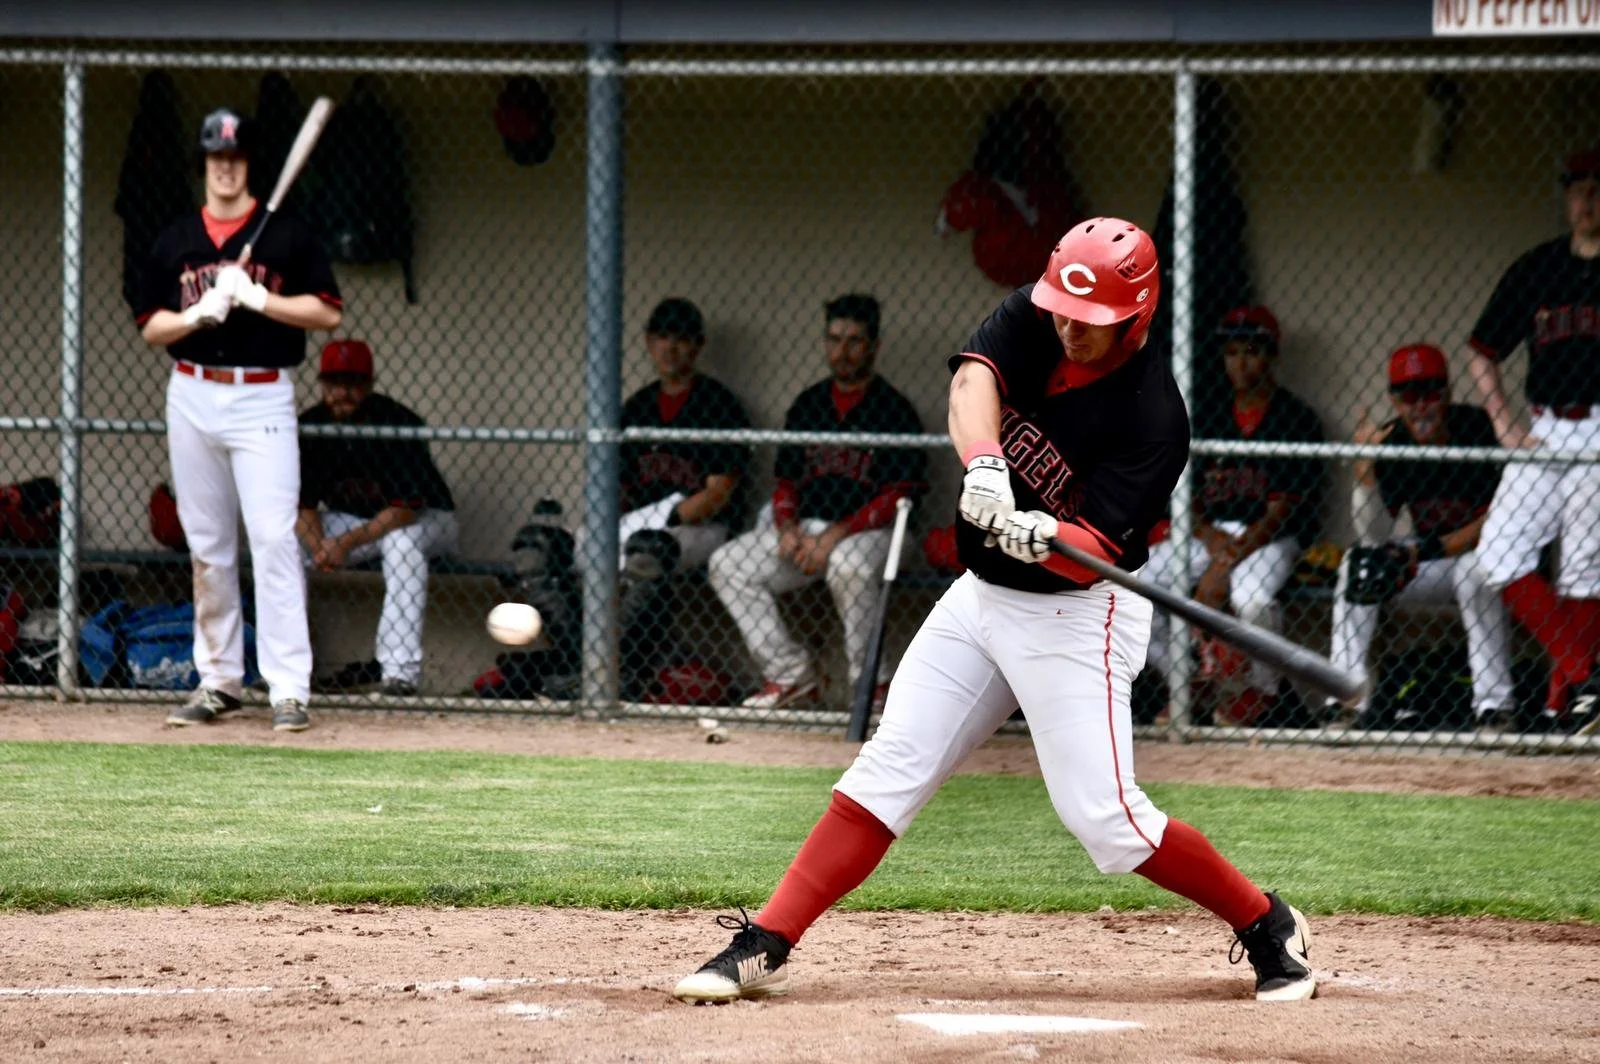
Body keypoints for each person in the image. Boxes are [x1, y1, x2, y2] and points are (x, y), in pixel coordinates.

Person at [674, 218, 1315, 1007]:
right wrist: (985, 468)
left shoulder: (1155, 416)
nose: (1071, 329)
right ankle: (768, 939)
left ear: (1137, 318)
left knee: (1106, 821)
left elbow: (1099, 549)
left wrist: (1047, 535)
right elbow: (972, 382)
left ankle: (1265, 922)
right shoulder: (1039, 312)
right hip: (981, 600)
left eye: (1094, 322)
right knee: (888, 769)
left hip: (1077, 613)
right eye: (1063, 313)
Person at [136, 107, 342, 733]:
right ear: (204, 163)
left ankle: (288, 689)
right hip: (192, 394)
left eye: (235, 156)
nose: (225, 166)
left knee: (276, 539)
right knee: (208, 545)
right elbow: (151, 326)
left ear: (248, 163)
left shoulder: (287, 236)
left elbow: (327, 312)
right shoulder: (175, 240)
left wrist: (259, 299)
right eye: (215, 156)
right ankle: (219, 680)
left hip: (262, 398)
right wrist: (199, 314)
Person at [708, 294, 926, 710]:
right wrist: (788, 527)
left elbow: (899, 495)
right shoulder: (808, 405)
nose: (841, 351)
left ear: (874, 347)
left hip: (876, 534)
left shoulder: (894, 409)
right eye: (834, 339)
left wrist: (835, 536)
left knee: (849, 565)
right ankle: (790, 674)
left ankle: (870, 686)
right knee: (728, 564)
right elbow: (785, 480)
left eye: (854, 341)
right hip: (810, 531)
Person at [1468, 148, 1600, 736]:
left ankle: (1563, 711)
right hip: (1544, 426)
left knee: (1583, 571)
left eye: (1597, 187)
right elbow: (1483, 350)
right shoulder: (1540, 267)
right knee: (1498, 551)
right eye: (1578, 188)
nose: (1587, 199)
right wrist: (1502, 420)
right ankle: (1586, 677)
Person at [1141, 305, 1325, 726]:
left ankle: (1258, 695)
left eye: (1251, 351)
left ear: (1271, 355)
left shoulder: (1295, 418)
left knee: (1252, 599)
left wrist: (1226, 561)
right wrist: (1207, 538)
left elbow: (1282, 510)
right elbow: (1183, 490)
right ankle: (1188, 683)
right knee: (1134, 584)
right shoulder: (1208, 413)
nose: (1240, 362)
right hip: (1212, 534)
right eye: (1232, 352)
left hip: (1270, 539)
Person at [1332, 343, 1513, 730]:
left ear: (1447, 393)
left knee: (1472, 571)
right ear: (1395, 402)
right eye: (1408, 395)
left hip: (1482, 556)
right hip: (1431, 563)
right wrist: (1364, 471)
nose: (1420, 406)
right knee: (1358, 564)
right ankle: (1345, 699)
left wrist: (1432, 549)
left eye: (1429, 393)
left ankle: (1494, 707)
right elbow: (1373, 535)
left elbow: (1499, 516)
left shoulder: (1476, 427)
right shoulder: (1393, 439)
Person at [296, 340, 458, 698]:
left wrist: (344, 543)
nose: (343, 393)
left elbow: (404, 510)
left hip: (427, 519)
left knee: (402, 545)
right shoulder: (309, 425)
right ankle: (289, 669)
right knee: (284, 543)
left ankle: (399, 674)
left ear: (369, 385)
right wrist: (319, 547)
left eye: (353, 383)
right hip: (354, 522)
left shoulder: (398, 422)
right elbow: (301, 504)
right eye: (335, 383)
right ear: (322, 384)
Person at [615, 298, 753, 700]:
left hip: (701, 529)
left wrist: (662, 517)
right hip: (637, 524)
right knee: (560, 549)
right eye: (661, 338)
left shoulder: (718, 404)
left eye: (680, 339)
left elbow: (716, 495)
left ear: (697, 346)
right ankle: (582, 661)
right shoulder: (637, 406)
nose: (669, 348)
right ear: (647, 342)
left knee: (648, 550)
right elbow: (614, 489)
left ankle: (617, 670)